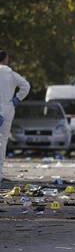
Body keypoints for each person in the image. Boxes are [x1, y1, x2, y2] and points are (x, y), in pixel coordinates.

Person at [0, 51, 31, 182]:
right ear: (6, 59)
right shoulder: (11, 74)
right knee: (2, 141)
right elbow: (26, 86)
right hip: (7, 109)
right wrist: (17, 99)